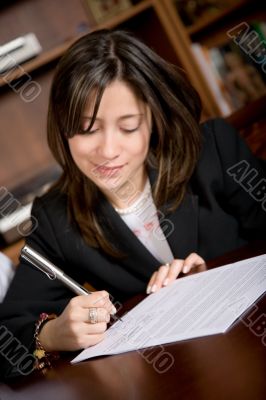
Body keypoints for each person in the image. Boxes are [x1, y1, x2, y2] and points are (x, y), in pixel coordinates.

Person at [0, 29, 265, 380]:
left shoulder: (214, 150)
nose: (108, 151)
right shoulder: (55, 216)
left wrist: (218, 274)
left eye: (128, 127)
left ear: (153, 118)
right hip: (173, 378)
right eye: (87, 129)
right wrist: (53, 335)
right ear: (62, 129)